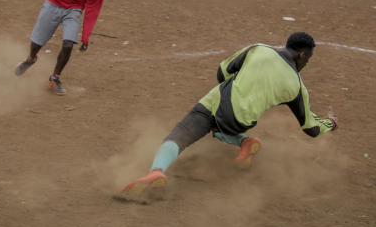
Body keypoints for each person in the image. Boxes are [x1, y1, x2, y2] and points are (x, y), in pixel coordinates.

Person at [120, 32, 338, 198]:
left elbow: (222, 72)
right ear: (302, 54)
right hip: (242, 122)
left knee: (182, 133)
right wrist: (330, 123)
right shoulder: (298, 87)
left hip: (218, 105)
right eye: (308, 59)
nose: (307, 63)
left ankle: (156, 171)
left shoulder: (259, 49)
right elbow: (311, 128)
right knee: (220, 127)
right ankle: (245, 141)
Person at [14, 0, 116, 96]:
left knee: (68, 43)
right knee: (37, 42)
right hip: (54, 1)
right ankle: (31, 58)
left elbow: (94, 6)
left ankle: (55, 77)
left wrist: (86, 36)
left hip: (74, 9)